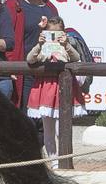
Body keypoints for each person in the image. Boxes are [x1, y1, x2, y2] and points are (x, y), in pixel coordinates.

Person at [24, 15, 87, 166]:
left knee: (62, 128)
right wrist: (39, 44)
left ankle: (64, 161)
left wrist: (66, 44)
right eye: (50, 33)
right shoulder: (41, 48)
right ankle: (54, 163)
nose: (53, 37)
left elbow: (76, 57)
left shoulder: (66, 47)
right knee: (48, 129)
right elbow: (30, 59)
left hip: (63, 89)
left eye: (58, 33)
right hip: (45, 89)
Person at [4, 0, 59, 111]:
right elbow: (6, 39)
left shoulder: (50, 8)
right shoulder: (11, 6)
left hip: (46, 70)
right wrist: (10, 67)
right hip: (23, 70)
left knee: (43, 118)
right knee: (24, 117)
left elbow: (57, 36)